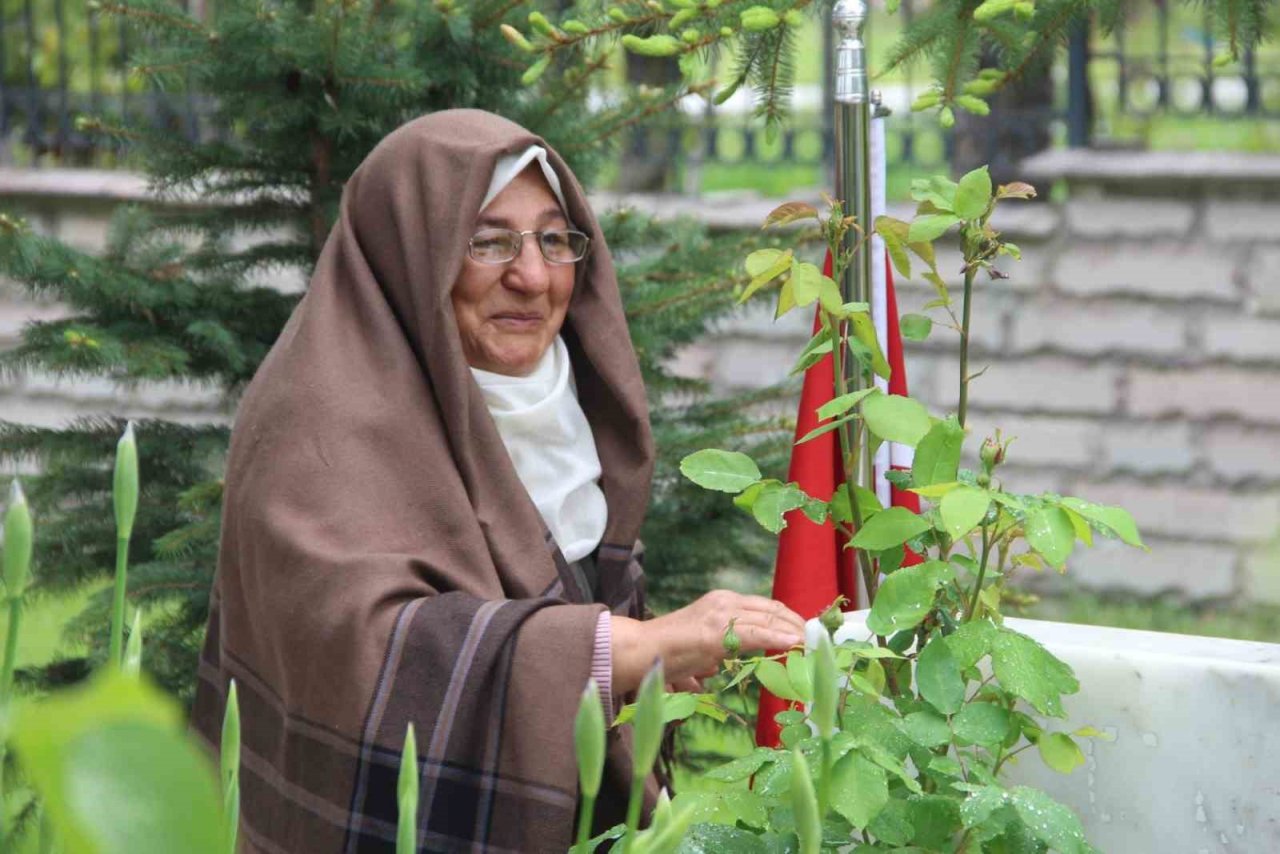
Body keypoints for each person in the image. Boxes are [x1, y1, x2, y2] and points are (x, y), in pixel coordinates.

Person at [192, 110, 806, 853]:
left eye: (554, 238)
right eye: (486, 240)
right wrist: (626, 650)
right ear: (409, 253)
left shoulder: (557, 407)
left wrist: (644, 659)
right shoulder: (318, 423)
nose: (532, 275)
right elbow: (363, 660)